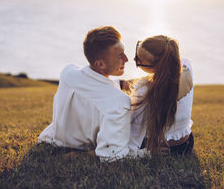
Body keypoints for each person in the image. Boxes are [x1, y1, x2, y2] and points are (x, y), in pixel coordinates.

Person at [38, 26, 146, 162]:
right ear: (100, 64)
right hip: (80, 147)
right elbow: (113, 154)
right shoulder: (118, 102)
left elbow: (90, 82)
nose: (126, 59)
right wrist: (146, 153)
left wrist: (121, 83)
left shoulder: (68, 72)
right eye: (120, 56)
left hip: (57, 137)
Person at [129, 35, 194, 156]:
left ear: (155, 67)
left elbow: (134, 133)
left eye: (139, 60)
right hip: (185, 144)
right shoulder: (187, 70)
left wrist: (145, 153)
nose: (134, 59)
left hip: (159, 149)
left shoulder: (144, 89)